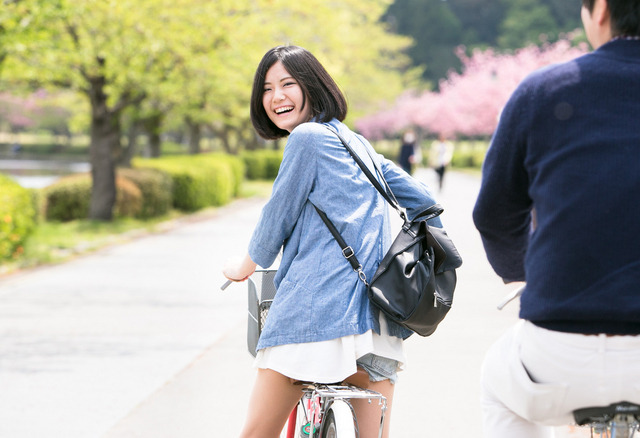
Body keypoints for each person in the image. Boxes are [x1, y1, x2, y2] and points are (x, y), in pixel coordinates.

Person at [223, 45, 442, 438]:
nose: (276, 97)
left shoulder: (306, 139)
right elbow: (424, 200)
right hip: (380, 327)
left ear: (313, 85)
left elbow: (277, 216)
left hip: (315, 319)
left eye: (288, 84)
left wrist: (244, 266)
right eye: (267, 88)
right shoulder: (356, 143)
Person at [472, 0, 640, 436]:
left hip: (561, 351)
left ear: (599, 9)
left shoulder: (544, 90)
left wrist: (523, 275)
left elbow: (494, 214)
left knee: (498, 383)